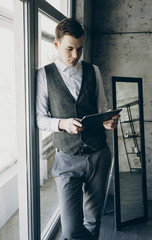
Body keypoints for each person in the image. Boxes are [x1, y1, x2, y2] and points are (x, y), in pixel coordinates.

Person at [36, 18, 119, 240]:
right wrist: (62, 123)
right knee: (71, 230)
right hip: (66, 160)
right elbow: (39, 119)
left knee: (93, 221)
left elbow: (102, 109)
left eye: (80, 49)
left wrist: (108, 121)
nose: (75, 55)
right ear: (56, 45)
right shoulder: (44, 75)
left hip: (99, 155)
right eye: (69, 49)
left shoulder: (94, 71)